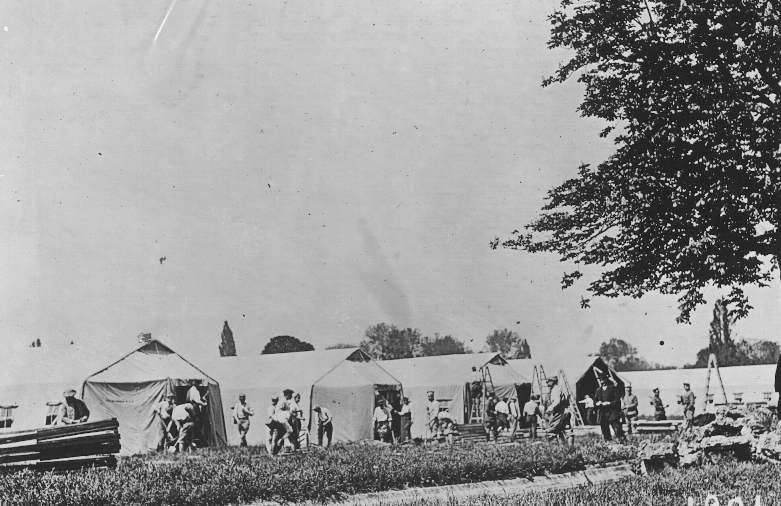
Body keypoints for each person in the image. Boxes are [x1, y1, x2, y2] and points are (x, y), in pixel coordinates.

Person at [594, 373, 625, 442]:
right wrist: (597, 403)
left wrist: (609, 403)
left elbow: (617, 400)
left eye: (603, 380)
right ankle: (608, 441)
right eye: (601, 380)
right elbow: (595, 401)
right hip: (603, 412)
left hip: (612, 412)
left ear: (606, 380)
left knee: (616, 427)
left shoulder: (613, 388)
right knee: (604, 427)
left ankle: (621, 440)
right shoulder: (598, 390)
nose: (602, 381)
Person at [544, 376, 568, 444]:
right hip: (563, 410)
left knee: (552, 430)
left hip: (558, 411)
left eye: (548, 381)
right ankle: (564, 446)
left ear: (552, 381)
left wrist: (549, 409)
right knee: (561, 430)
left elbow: (557, 401)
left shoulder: (555, 389)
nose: (547, 383)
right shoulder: (560, 388)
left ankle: (554, 448)